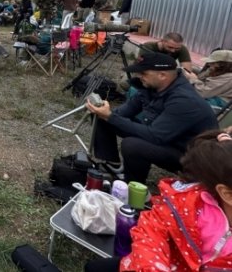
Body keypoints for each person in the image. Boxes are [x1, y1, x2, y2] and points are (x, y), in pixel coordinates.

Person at [84, 130, 232, 271]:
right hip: (155, 261)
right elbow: (152, 232)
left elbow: (155, 133)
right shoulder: (186, 206)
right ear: (227, 194)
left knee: (131, 144)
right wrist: (111, 117)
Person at [86, 52, 218, 184]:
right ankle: (111, 166)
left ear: (162, 75)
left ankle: (134, 189)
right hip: (166, 138)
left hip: (190, 155)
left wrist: (111, 117)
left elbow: (155, 136)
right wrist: (105, 112)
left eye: (144, 73)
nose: (139, 76)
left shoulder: (184, 100)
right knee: (102, 117)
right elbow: (121, 114)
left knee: (132, 145)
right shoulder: (152, 87)